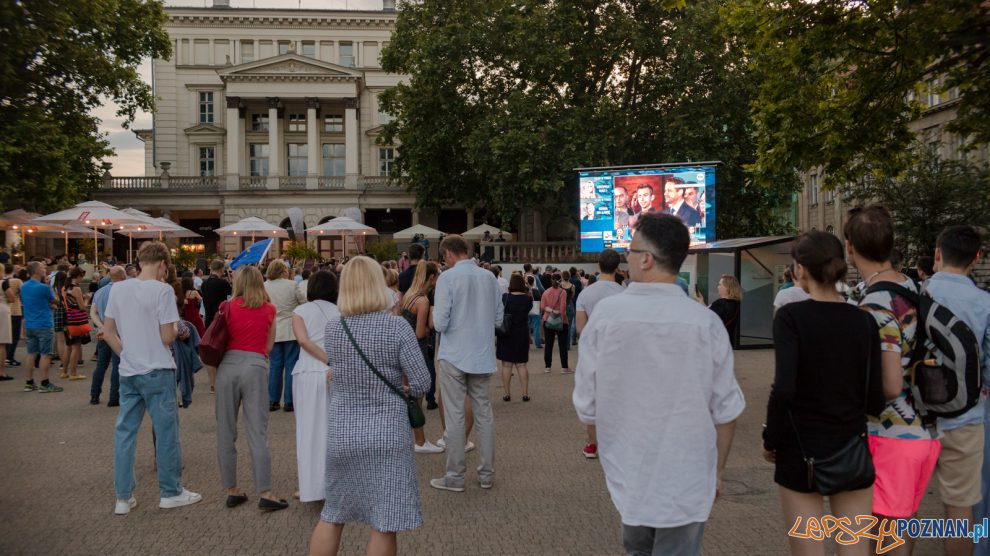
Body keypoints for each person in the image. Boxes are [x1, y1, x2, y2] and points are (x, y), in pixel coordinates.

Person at [573, 212, 745, 556]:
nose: (628, 258)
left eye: (631, 251)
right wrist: (718, 472)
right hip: (689, 472)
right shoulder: (705, 323)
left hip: (629, 469)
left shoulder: (606, 318)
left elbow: (586, 405)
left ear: (647, 259)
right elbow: (726, 410)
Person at [763, 231, 885, 556]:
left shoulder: (790, 317)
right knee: (856, 549)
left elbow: (784, 388)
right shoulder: (865, 321)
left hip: (800, 449)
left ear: (800, 269)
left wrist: (771, 439)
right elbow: (876, 399)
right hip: (851, 446)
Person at [308, 256, 431, 555]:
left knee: (333, 515)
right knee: (384, 521)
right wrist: (401, 388)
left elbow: (338, 370)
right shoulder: (397, 328)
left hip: (343, 434)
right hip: (387, 434)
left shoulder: (335, 329)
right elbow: (422, 382)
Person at [844, 206, 939, 556]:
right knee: (901, 527)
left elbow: (889, 384)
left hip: (889, 433)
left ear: (850, 247)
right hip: (922, 429)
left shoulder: (876, 304)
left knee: (881, 537)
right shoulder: (912, 286)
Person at [102, 241, 201, 515]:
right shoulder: (163, 290)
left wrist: (127, 353)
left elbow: (109, 332)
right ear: (162, 264)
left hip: (129, 371)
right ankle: (170, 491)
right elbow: (167, 336)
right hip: (158, 368)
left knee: (125, 433)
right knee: (167, 432)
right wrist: (178, 331)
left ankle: (123, 497)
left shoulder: (118, 289)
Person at [925, 226, 990, 556]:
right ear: (976, 258)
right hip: (966, 417)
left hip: (913, 421)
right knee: (959, 511)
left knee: (898, 508)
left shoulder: (913, 295)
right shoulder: (985, 303)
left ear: (937, 252)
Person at [429, 234, 502, 493]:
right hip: (481, 353)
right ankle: (486, 474)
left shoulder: (447, 278)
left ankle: (455, 475)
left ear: (448, 254)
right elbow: (497, 318)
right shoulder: (489, 277)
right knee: (484, 414)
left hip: (454, 354)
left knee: (455, 415)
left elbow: (440, 323)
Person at [215, 266, 289, 512]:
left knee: (226, 430)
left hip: (227, 366)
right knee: (257, 431)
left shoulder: (227, 307)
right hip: (255, 365)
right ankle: (266, 491)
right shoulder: (269, 309)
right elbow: (268, 347)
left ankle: (231, 489)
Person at [292, 271, 340, 502]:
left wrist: (323, 359)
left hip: (308, 372)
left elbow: (302, 340)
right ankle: (335, 483)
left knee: (308, 430)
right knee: (333, 430)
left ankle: (310, 486)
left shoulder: (300, 311)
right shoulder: (340, 311)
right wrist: (331, 360)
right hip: (334, 372)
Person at [574, 249, 624, 460]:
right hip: (619, 352)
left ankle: (593, 444)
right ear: (618, 267)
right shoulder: (625, 292)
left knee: (592, 398)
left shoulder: (586, 294)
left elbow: (580, 329)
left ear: (598, 266)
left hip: (594, 352)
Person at [398, 261, 444, 454]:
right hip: (418, 349)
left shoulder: (409, 295)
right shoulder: (423, 300)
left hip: (404, 349)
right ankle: (420, 440)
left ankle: (410, 438)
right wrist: (430, 325)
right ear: (431, 277)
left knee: (409, 396)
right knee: (417, 396)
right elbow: (420, 333)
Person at [264, 259, 305, 412]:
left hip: (273, 327)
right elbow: (303, 302)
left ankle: (273, 400)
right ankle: (289, 401)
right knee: (291, 365)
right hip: (290, 326)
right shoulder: (292, 285)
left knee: (275, 365)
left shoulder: (265, 286)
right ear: (284, 270)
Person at [20, 262, 60, 392]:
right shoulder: (43, 287)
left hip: (30, 323)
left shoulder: (24, 286)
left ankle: (29, 382)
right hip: (43, 323)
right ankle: (44, 382)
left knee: (31, 353)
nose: (45, 270)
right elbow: (56, 300)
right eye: (43, 268)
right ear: (37, 271)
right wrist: (50, 286)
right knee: (45, 354)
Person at [90, 266, 126, 406]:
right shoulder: (122, 292)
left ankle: (94, 394)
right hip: (117, 332)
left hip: (103, 331)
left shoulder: (99, 292)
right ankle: (114, 397)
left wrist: (101, 327)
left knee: (101, 365)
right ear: (122, 276)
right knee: (117, 366)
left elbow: (94, 312)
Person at [497, 274, 534, 402]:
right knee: (521, 365)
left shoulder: (505, 298)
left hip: (506, 333)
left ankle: (507, 394)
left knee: (507, 365)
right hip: (522, 333)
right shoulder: (528, 299)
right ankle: (525, 394)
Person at [60, 267, 90, 381]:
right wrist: (87, 299)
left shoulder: (64, 288)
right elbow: (82, 307)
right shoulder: (76, 289)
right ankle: (73, 373)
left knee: (68, 347)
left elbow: (69, 302)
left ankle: (64, 372)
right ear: (77, 276)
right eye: (81, 276)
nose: (82, 279)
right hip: (76, 321)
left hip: (67, 319)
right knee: (76, 347)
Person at [541, 273, 570, 373]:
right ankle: (564, 367)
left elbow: (542, 306)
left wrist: (550, 311)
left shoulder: (546, 292)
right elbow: (562, 309)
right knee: (562, 344)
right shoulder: (563, 292)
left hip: (548, 319)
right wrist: (561, 318)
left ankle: (547, 367)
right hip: (561, 321)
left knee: (549, 344)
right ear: (560, 280)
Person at [202, 259, 231, 329]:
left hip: (208, 320)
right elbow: (231, 299)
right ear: (221, 269)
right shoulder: (223, 283)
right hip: (220, 319)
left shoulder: (204, 283)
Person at [5, 264, 23, 367]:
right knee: (14, 336)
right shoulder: (17, 281)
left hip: (4, 309)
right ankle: (10, 356)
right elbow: (23, 292)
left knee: (4, 335)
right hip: (15, 310)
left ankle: (5, 355)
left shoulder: (3, 281)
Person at [0, 266, 11, 381]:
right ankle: (1, 372)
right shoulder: (3, 283)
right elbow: (11, 297)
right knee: (2, 343)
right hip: (2, 310)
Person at [526, 276, 543, 349]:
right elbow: (540, 301)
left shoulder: (526, 291)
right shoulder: (536, 290)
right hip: (536, 310)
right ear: (533, 282)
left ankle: (526, 342)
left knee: (527, 326)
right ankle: (538, 344)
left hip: (528, 310)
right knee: (536, 327)